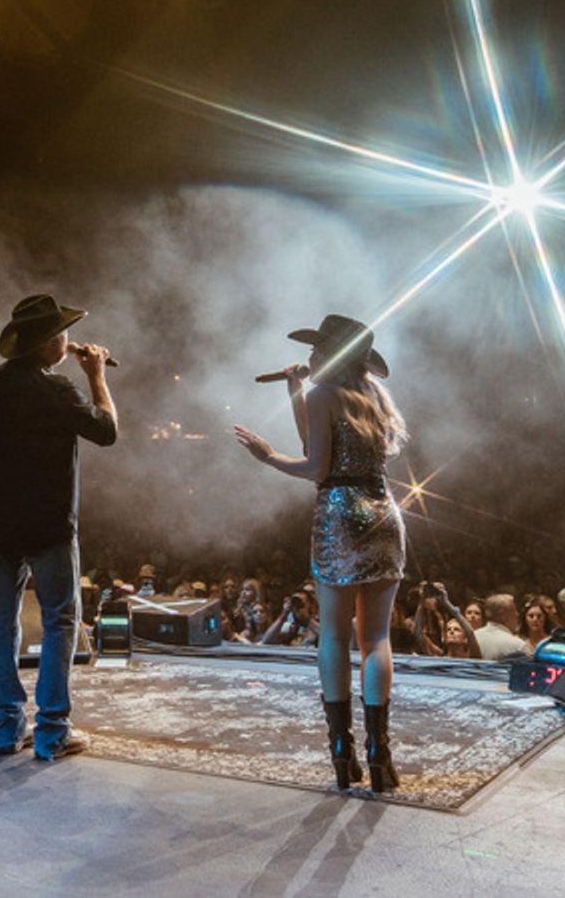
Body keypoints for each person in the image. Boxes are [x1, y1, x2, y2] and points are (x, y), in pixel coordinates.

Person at [235, 314, 406, 792]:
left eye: (316, 350)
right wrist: (295, 392)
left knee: (333, 634)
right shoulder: (374, 396)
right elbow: (318, 441)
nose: (309, 358)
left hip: (340, 517)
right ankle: (379, 754)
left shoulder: (324, 395)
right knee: (376, 639)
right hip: (384, 515)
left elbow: (316, 466)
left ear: (329, 355)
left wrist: (268, 456)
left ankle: (341, 752)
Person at [0, 294, 117, 761]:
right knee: (60, 620)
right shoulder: (59, 389)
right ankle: (51, 732)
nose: (69, 340)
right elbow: (107, 430)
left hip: (0, 523)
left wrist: (10, 449)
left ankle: (7, 728)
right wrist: (97, 376)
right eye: (63, 333)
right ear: (48, 342)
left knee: (1, 623)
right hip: (49, 523)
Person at [473, 594, 529, 660]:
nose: (517, 614)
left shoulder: (471, 638)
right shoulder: (518, 646)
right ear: (503, 616)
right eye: (514, 610)